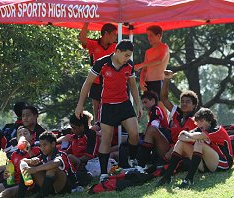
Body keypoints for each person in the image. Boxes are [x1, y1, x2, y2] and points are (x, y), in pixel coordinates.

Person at [75, 40, 143, 181]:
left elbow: (133, 86)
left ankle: (133, 161)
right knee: (106, 138)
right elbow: (87, 84)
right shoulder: (102, 63)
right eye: (126, 55)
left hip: (124, 104)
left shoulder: (129, 65)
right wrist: (80, 105)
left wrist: (139, 105)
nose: (128, 58)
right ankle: (104, 174)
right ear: (117, 51)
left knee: (134, 134)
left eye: (129, 56)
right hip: (107, 105)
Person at [136, 70, 198, 170]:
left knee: (181, 141)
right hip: (168, 149)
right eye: (182, 102)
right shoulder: (177, 113)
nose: (184, 104)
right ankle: (141, 166)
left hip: (183, 152)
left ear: (194, 105)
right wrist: (166, 79)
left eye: (188, 102)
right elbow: (164, 98)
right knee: (151, 129)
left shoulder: (196, 120)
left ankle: (159, 163)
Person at [157, 108, 233, 188]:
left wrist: (187, 133)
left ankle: (189, 179)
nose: (199, 124)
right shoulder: (200, 128)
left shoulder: (217, 129)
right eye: (198, 122)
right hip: (207, 164)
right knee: (181, 143)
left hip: (224, 164)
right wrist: (190, 136)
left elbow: (194, 136)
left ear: (209, 121)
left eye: (202, 121)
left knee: (198, 142)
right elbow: (181, 137)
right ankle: (167, 176)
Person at [0, 127, 40, 198]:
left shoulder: (36, 149)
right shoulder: (14, 154)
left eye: (25, 133)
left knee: (6, 193)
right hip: (13, 181)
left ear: (31, 137)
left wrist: (28, 150)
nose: (22, 136)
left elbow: (36, 162)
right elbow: (11, 169)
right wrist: (6, 174)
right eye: (20, 134)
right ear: (17, 139)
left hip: (26, 183)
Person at [79, 22, 117, 130]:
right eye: (114, 34)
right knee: (96, 109)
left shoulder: (116, 46)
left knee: (110, 107)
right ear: (106, 34)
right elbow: (82, 38)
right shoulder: (94, 44)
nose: (115, 37)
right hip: (95, 82)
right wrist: (87, 21)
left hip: (110, 83)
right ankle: (97, 131)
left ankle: (111, 130)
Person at [16, 131, 77, 198]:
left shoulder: (60, 154)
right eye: (40, 145)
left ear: (53, 144)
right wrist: (30, 161)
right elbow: (22, 161)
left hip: (66, 186)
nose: (42, 148)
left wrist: (35, 169)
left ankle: (41, 195)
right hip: (51, 186)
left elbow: (55, 163)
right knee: (28, 168)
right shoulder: (43, 156)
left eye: (45, 145)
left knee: (51, 168)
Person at [134, 25, 169, 111]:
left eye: (151, 35)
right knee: (149, 107)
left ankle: (165, 124)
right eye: (148, 35)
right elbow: (145, 69)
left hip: (159, 81)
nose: (149, 38)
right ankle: (151, 123)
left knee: (161, 106)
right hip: (148, 83)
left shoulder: (164, 47)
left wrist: (141, 65)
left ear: (158, 36)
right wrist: (142, 80)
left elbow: (159, 60)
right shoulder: (148, 52)